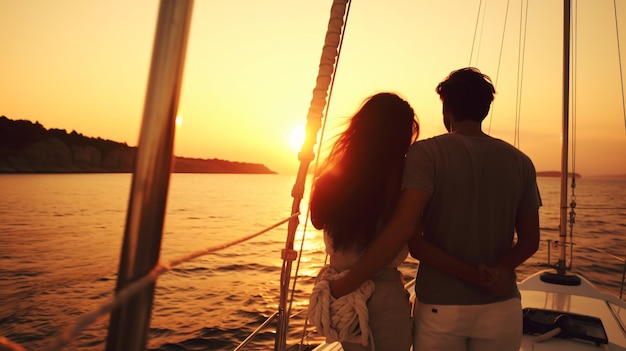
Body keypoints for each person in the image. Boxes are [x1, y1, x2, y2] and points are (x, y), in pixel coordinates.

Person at [329, 67, 541, 351]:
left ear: (447, 109)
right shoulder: (521, 162)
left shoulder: (425, 154)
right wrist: (498, 271)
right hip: (501, 306)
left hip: (441, 308)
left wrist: (471, 275)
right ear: (485, 109)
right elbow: (530, 241)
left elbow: (413, 240)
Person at [308, 92, 419, 351]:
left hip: (343, 294)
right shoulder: (405, 178)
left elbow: (317, 220)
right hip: (382, 292)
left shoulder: (333, 175)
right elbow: (408, 234)